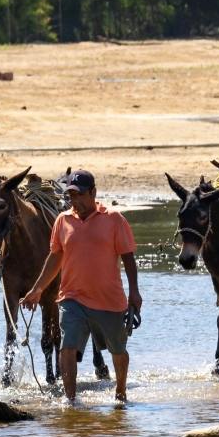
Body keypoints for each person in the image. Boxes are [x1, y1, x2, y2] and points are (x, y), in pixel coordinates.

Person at [20, 168, 140, 403]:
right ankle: (70, 400)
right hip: (72, 298)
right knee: (67, 347)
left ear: (93, 192)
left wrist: (134, 293)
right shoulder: (62, 220)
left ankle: (121, 393)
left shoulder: (114, 219)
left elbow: (128, 258)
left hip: (109, 300)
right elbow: (55, 257)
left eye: (80, 195)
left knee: (118, 351)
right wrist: (37, 289)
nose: (75, 200)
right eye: (71, 195)